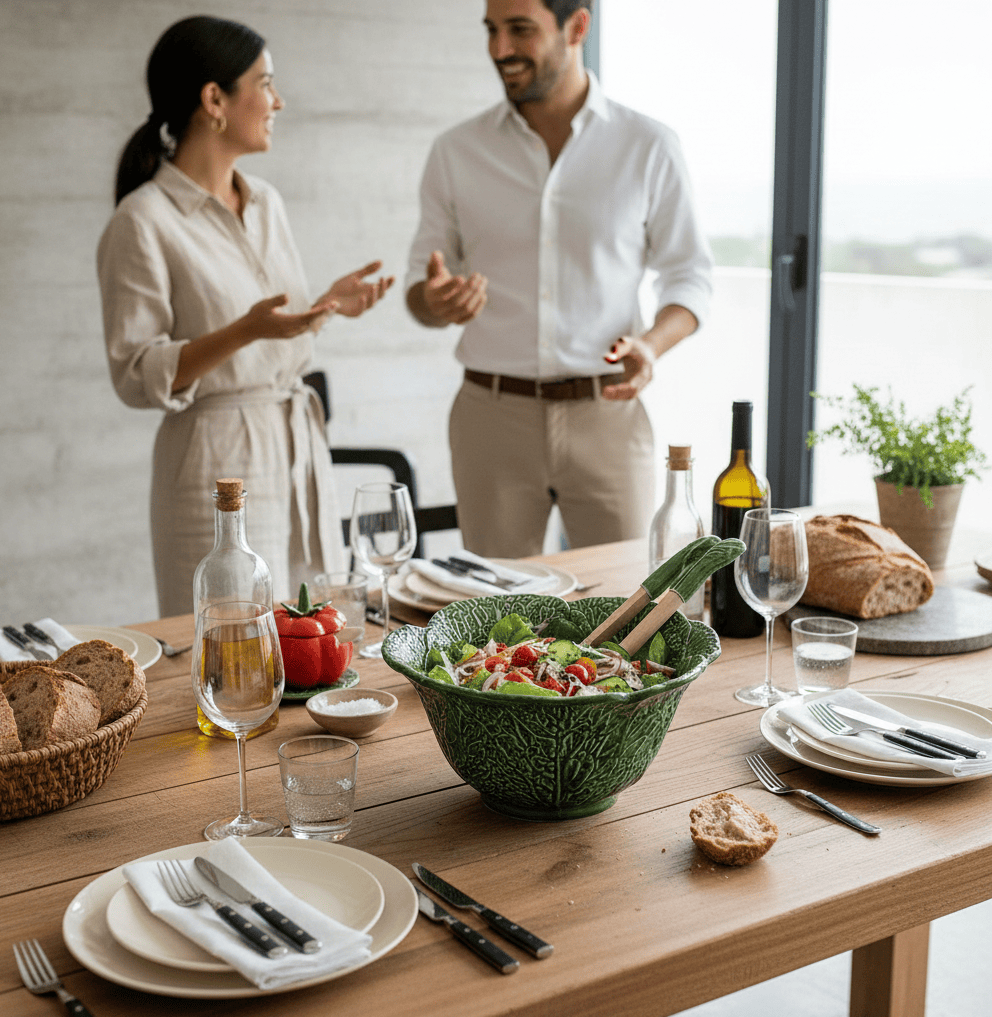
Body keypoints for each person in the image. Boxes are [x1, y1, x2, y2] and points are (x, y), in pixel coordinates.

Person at [98, 15, 393, 616]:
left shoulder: (266, 203)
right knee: (228, 643)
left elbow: (271, 329)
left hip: (293, 447)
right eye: (265, 82)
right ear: (214, 100)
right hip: (214, 461)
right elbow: (134, 373)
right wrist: (245, 331)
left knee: (305, 631)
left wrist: (323, 309)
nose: (278, 100)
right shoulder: (143, 219)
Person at [405, 0, 712, 557]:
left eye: (520, 30)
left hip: (608, 416)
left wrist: (651, 344)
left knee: (628, 608)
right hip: (490, 420)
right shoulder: (456, 151)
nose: (500, 50)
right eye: (491, 31)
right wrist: (435, 300)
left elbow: (690, 276)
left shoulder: (647, 145)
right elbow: (419, 290)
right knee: (493, 621)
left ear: (577, 27)